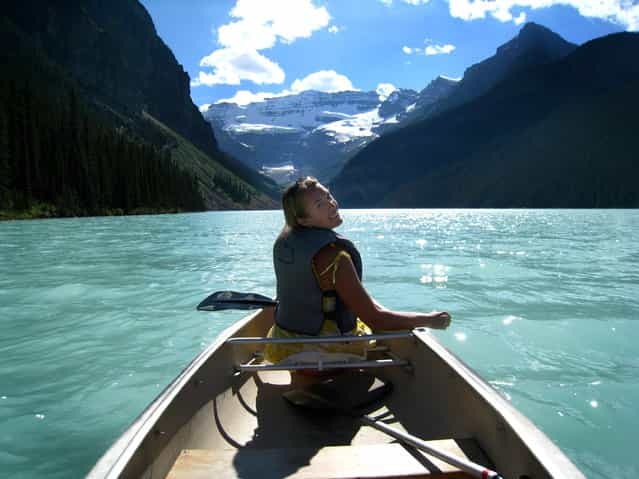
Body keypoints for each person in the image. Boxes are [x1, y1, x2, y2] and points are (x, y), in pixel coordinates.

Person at [264, 176, 451, 363]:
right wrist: (430, 320)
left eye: (328, 196)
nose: (332, 205)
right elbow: (375, 319)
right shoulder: (336, 256)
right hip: (322, 350)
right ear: (303, 220)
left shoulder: (286, 242)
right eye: (320, 204)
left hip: (283, 342)